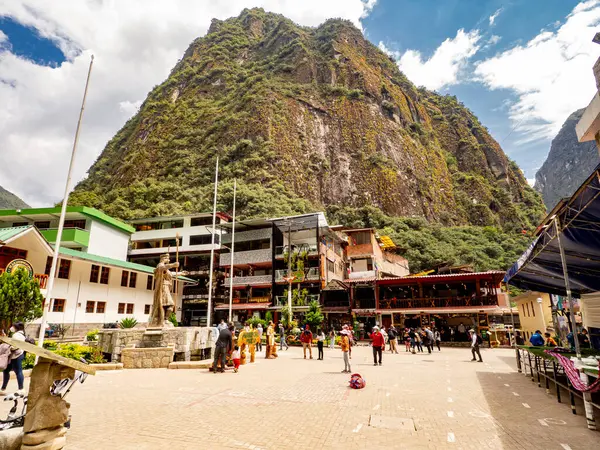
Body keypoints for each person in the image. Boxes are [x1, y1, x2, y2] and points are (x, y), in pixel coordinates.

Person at [0, 322, 26, 395]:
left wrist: (8, 347)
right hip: (15, 355)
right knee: (6, 371)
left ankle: (21, 389)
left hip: (16, 356)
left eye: (13, 326)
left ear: (16, 327)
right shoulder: (21, 334)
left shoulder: (16, 335)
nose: (12, 327)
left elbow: (15, 346)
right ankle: (3, 389)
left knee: (18, 372)